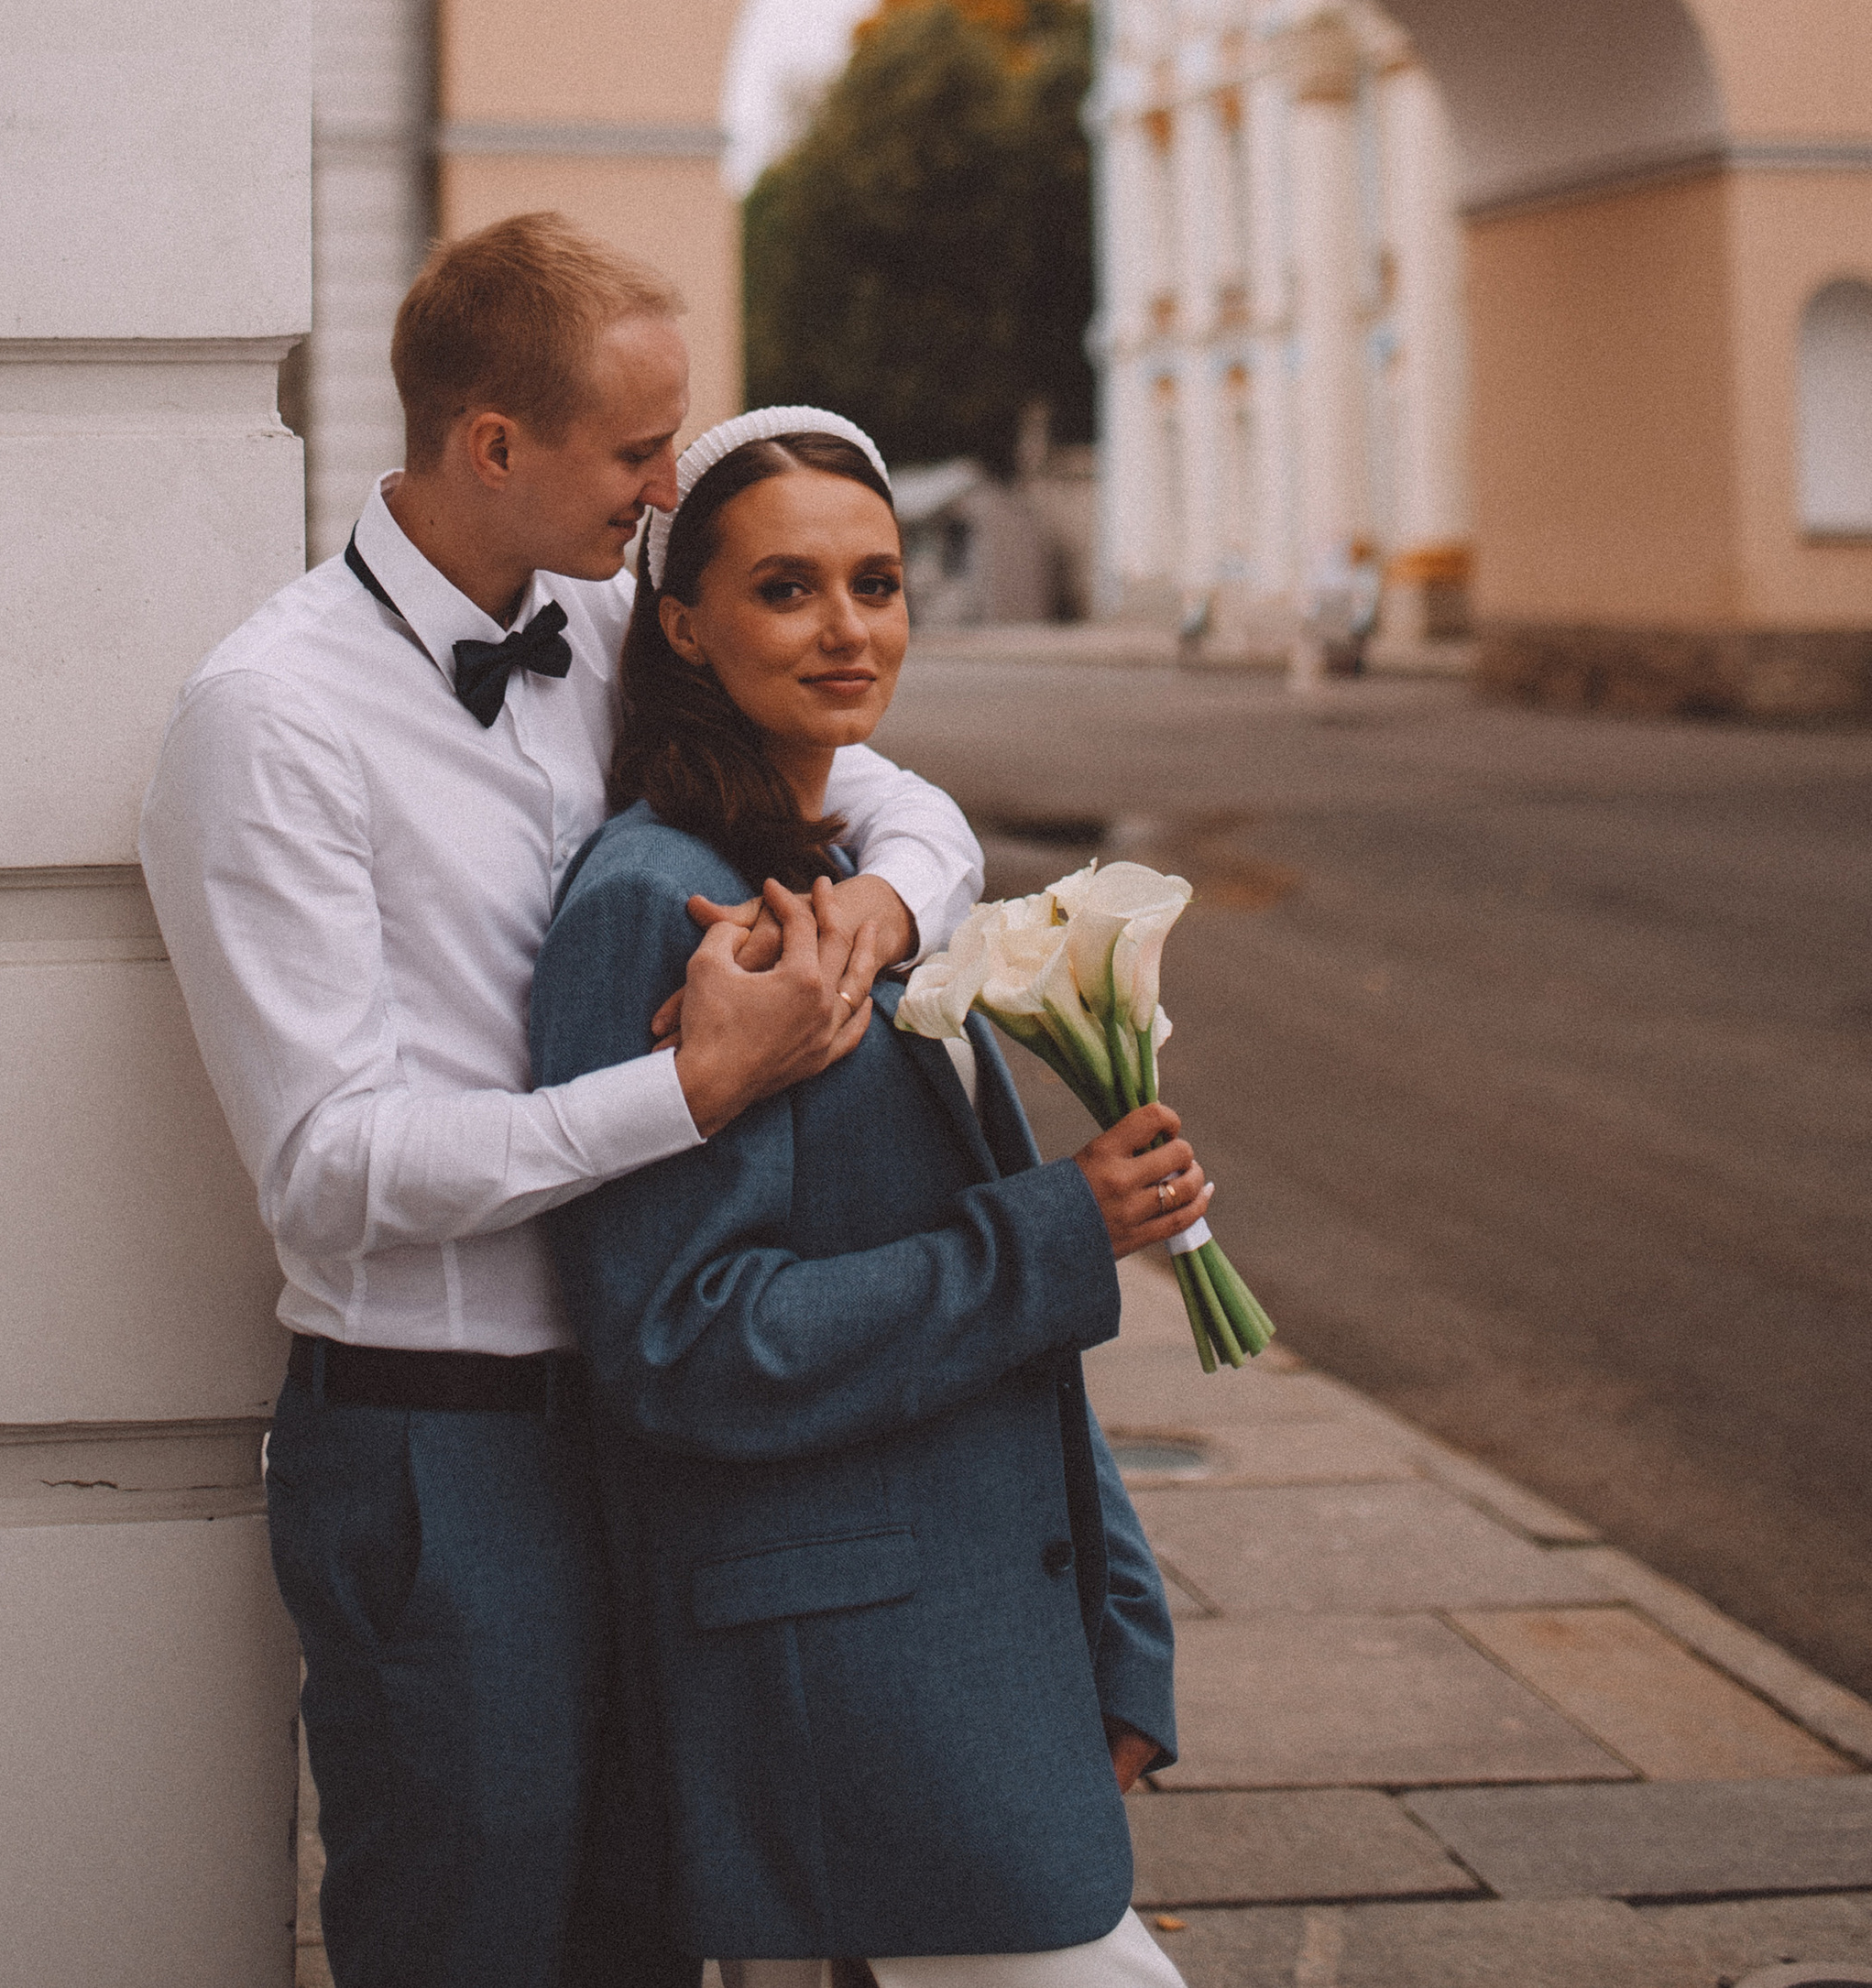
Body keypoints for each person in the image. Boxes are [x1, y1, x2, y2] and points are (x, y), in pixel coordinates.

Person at [137, 221, 983, 1988]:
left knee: (658, 1936)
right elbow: (330, 1169)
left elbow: (909, 800)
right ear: (494, 443)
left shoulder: (612, 623)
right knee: (471, 1944)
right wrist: (687, 1087)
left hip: (650, 1424)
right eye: (636, 452)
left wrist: (872, 916)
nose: (673, 485)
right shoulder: (269, 715)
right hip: (436, 1452)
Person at [529, 410, 1215, 1988]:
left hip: (979, 1635)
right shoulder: (660, 901)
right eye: (788, 588)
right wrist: (1063, 1222)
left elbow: (1011, 1344)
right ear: (685, 625)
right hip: (841, 1665)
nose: (849, 626)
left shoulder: (857, 867)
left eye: (879, 581)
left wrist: (1112, 1624)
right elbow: (686, 1343)